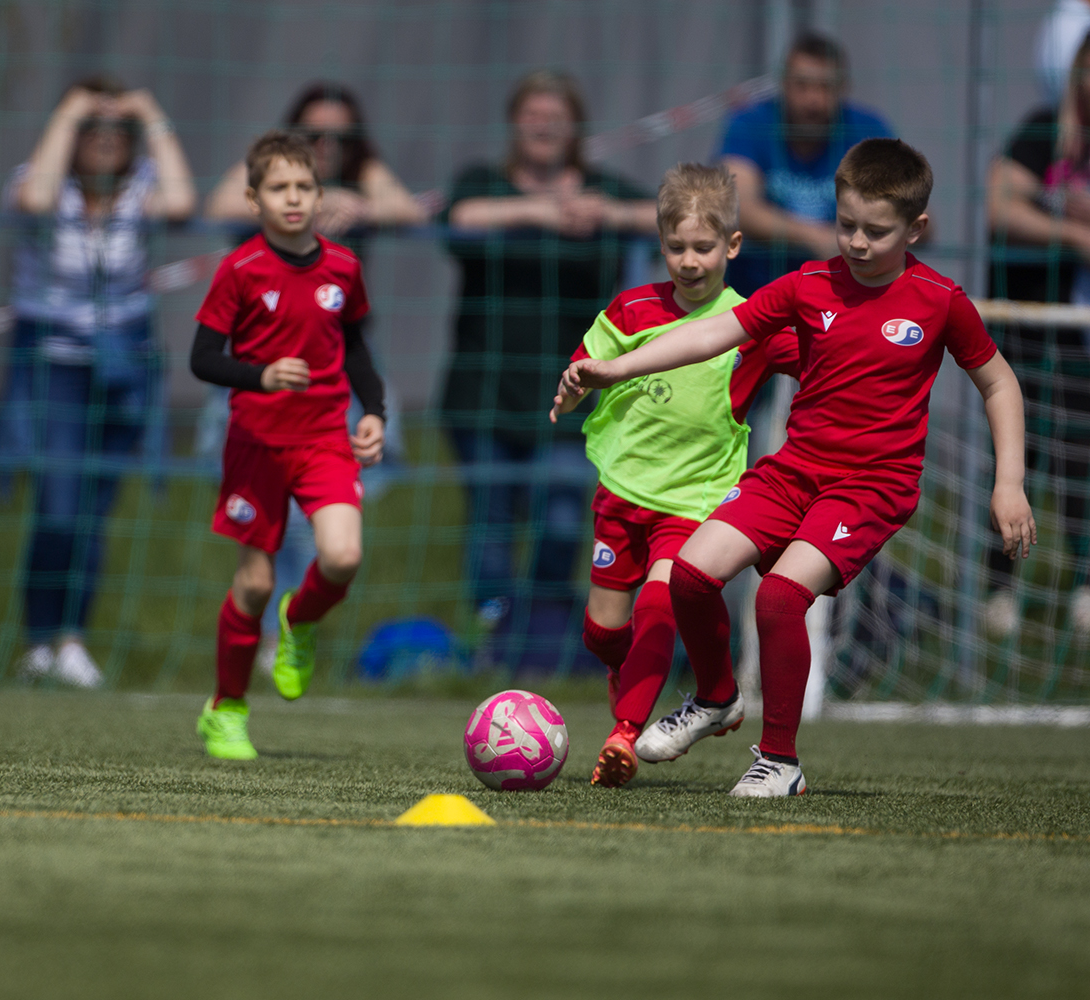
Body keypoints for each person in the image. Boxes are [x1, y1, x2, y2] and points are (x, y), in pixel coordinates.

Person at [561, 138, 1034, 796]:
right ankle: (718, 697)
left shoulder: (939, 300)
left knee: (781, 596)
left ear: (915, 228)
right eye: (846, 225)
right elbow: (712, 332)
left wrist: (1009, 483)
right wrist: (617, 367)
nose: (858, 242)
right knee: (691, 575)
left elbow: (999, 382)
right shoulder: (809, 284)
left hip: (871, 488)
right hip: (792, 471)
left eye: (876, 231)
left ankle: (779, 761)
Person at [551, 163, 798, 788]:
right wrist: (572, 388)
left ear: (732, 246)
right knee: (604, 632)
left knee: (660, 604)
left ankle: (624, 735)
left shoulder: (749, 324)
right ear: (660, 244)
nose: (689, 261)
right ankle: (624, 671)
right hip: (623, 492)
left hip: (695, 498)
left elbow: (816, 360)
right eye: (676, 247)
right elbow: (586, 365)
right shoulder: (631, 308)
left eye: (703, 247)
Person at [442, 69, 657, 668]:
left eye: (556, 117)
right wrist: (543, 212)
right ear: (515, 122)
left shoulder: (602, 190)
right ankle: (494, 639)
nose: (544, 126)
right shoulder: (485, 183)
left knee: (563, 524)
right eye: (533, 115)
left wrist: (608, 215)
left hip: (572, 395)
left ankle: (537, 639)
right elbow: (459, 215)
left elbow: (666, 214)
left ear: (576, 127)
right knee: (491, 532)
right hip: (485, 394)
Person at [188, 131, 386, 759]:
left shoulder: (343, 267)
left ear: (320, 196)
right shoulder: (240, 269)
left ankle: (298, 620)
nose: (293, 198)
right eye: (279, 188)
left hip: (325, 438)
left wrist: (374, 413)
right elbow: (202, 359)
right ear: (254, 200)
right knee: (253, 583)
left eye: (304, 186)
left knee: (343, 556)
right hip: (256, 443)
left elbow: (355, 348)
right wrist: (262, 376)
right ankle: (226, 708)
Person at [3, 76, 196, 686]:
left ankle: (72, 640)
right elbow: (35, 200)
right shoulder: (39, 181)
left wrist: (150, 109)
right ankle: (38, 640)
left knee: (94, 512)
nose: (107, 138)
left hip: (124, 368)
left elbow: (182, 203)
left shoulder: (142, 189)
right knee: (58, 506)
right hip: (53, 365)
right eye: (93, 128)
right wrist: (71, 110)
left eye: (118, 130)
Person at [982, 31, 1090, 635]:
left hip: (1077, 332)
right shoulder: (1044, 132)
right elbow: (1000, 205)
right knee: (1017, 456)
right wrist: (1072, 232)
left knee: (1080, 459)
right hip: (1027, 327)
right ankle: (998, 588)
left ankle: (1084, 582)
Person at [717, 32, 893, 296]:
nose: (813, 99)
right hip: (753, 291)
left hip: (846, 295)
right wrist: (815, 236)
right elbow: (736, 207)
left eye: (826, 87)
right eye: (802, 85)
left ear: (844, 88)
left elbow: (909, 211)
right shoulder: (750, 123)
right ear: (784, 84)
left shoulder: (868, 130)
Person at [204, 81, 428, 236]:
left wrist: (356, 209)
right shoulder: (268, 162)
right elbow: (220, 207)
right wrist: (313, 205)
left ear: (355, 142)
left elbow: (411, 212)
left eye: (341, 138)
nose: (326, 146)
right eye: (314, 136)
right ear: (293, 134)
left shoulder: (361, 168)